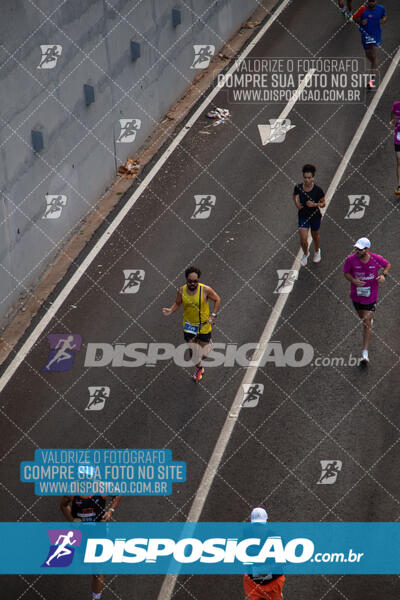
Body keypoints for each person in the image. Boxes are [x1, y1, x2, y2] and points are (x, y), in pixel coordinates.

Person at [162, 266, 221, 382]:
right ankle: (199, 369)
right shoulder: (181, 290)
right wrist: (170, 310)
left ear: (198, 280)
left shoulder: (206, 290)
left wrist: (212, 316)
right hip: (189, 326)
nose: (193, 283)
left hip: (203, 326)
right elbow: (178, 302)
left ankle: (209, 343)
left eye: (195, 281)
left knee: (204, 355)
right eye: (190, 281)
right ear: (186, 280)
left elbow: (217, 299)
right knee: (193, 353)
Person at [60, 495, 121, 600]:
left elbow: (117, 495)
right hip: (81, 532)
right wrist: (72, 520)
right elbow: (63, 505)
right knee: (82, 559)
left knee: (96, 570)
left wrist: (110, 510)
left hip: (98, 532)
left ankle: (96, 598)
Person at [343, 237, 390, 365]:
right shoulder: (350, 260)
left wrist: (383, 275)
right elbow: (345, 273)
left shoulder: (376, 258)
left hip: (371, 296)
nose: (357, 251)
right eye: (356, 248)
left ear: (367, 249)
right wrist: (353, 280)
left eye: (360, 249)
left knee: (366, 321)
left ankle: (365, 352)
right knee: (362, 318)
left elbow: (387, 265)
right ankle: (369, 321)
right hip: (356, 295)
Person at [243, 508, 285, 600]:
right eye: (256, 525)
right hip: (252, 584)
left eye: (261, 525)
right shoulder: (245, 537)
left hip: (273, 583)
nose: (258, 529)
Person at [293, 164, 326, 267]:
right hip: (303, 216)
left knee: (315, 235)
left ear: (313, 178)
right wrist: (297, 204)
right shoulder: (298, 187)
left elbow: (323, 204)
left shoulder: (318, 190)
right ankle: (306, 254)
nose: (307, 180)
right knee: (303, 239)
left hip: (315, 216)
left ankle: (317, 251)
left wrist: (314, 204)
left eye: (309, 178)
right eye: (305, 178)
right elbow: (294, 195)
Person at [353, 1, 387, 89]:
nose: (371, 3)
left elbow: (384, 16)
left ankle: (371, 81)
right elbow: (353, 18)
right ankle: (374, 67)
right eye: (370, 1)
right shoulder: (362, 9)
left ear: (376, 1)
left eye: (373, 1)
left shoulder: (381, 8)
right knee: (369, 56)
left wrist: (383, 20)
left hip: (375, 36)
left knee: (374, 57)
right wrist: (360, 21)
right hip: (365, 37)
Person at [389, 100, 400, 194]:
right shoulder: (396, 105)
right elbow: (393, 114)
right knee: (399, 161)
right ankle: (399, 186)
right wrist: (393, 121)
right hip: (398, 138)